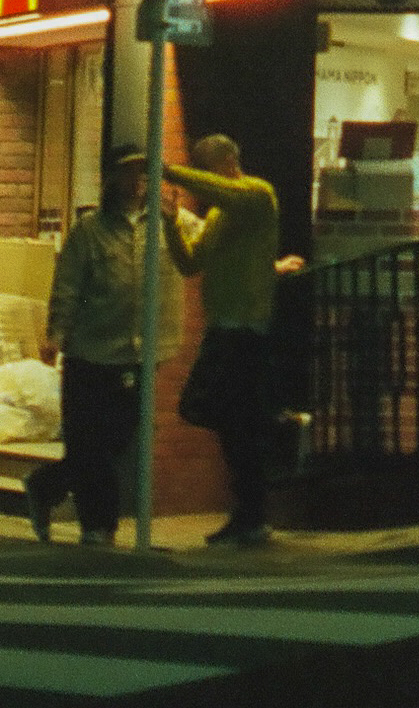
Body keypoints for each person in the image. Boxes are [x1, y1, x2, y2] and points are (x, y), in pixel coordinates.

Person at [165, 133, 304, 546]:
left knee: (228, 418)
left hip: (243, 327)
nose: (207, 179)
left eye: (210, 168)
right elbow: (191, 263)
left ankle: (250, 512)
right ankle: (250, 508)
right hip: (226, 326)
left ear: (228, 160)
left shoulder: (257, 194)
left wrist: (170, 170)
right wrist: (172, 223)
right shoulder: (219, 216)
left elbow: (225, 193)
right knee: (220, 415)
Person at [26, 143, 148, 548]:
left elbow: (199, 250)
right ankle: (99, 526)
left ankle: (46, 485)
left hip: (134, 353)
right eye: (128, 174)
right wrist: (56, 333)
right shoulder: (90, 232)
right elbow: (68, 286)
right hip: (89, 351)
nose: (136, 182)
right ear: (110, 179)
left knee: (116, 439)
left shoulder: (159, 227)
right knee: (89, 443)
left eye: (141, 173)